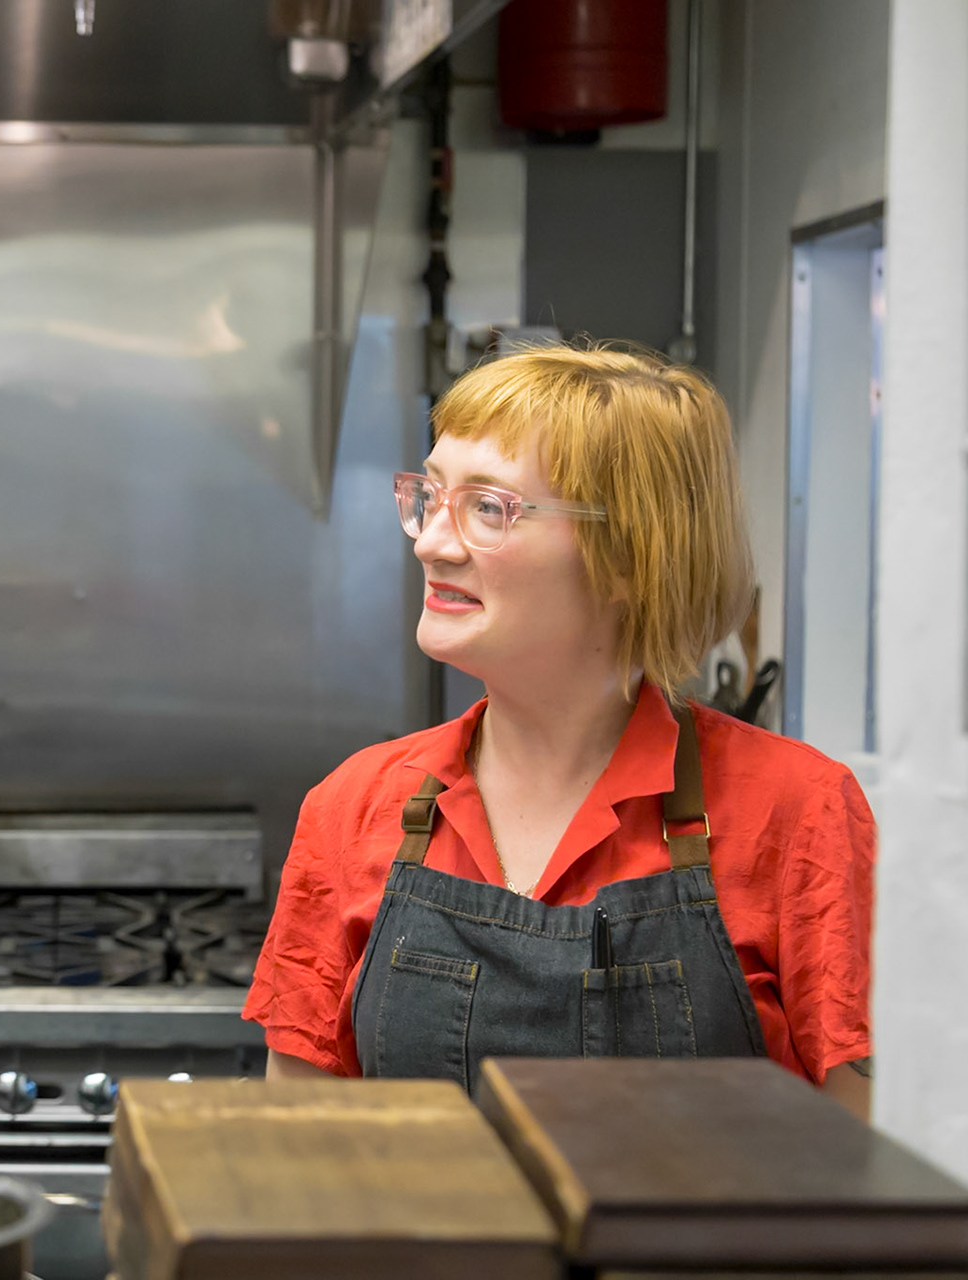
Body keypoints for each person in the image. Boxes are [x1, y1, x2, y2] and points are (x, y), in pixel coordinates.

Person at [245, 346, 874, 1116]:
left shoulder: (799, 813)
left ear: (630, 556)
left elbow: (863, 1178)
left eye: (488, 507)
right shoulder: (354, 807)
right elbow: (301, 1158)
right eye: (430, 497)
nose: (431, 543)